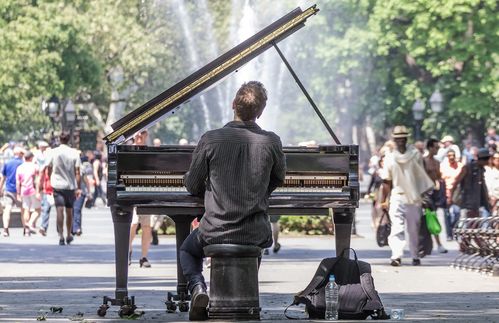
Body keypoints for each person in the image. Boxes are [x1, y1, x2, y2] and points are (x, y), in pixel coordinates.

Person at [179, 81, 286, 320]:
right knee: (254, 247)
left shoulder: (211, 139)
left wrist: (204, 185)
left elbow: (193, 184)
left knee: (187, 250)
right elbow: (279, 177)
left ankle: (197, 287)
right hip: (254, 231)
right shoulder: (271, 141)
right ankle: (243, 297)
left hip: (215, 229)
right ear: (260, 112)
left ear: (232, 105)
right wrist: (258, 193)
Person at [380, 125, 433, 267]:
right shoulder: (390, 157)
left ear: (406, 139)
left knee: (413, 229)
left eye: (403, 138)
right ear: (394, 140)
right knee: (396, 228)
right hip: (397, 195)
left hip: (414, 197)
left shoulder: (415, 155)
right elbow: (386, 181)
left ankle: (415, 255)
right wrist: (383, 200)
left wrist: (423, 196)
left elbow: (422, 176)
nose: (400, 141)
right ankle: (396, 255)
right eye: (398, 139)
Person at [43, 131, 81, 245]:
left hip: (57, 185)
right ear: (69, 140)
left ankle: (60, 236)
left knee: (59, 210)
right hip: (70, 185)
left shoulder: (53, 152)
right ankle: (69, 234)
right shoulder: (74, 153)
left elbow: (48, 167)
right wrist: (78, 187)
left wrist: (49, 179)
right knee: (69, 211)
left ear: (59, 139)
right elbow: (78, 171)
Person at [129, 130, 153, 268]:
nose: (139, 136)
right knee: (132, 224)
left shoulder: (149, 152)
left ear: (146, 135)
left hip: (146, 191)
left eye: (142, 133)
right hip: (132, 191)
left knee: (146, 226)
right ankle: (128, 250)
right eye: (137, 133)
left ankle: (144, 257)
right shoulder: (128, 151)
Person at [422, 139, 447, 253]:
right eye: (436, 147)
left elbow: (438, 177)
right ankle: (425, 244)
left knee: (432, 218)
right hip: (424, 193)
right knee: (424, 219)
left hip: (434, 193)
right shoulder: (423, 161)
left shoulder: (437, 162)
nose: (437, 150)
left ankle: (438, 244)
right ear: (430, 148)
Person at [451, 148, 491, 218]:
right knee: (464, 225)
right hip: (466, 204)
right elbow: (456, 182)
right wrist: (451, 197)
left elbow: (482, 188)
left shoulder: (480, 170)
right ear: (484, 159)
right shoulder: (468, 167)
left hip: (476, 205)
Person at [16, 151, 41, 235]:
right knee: (37, 210)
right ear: (31, 158)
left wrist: (18, 193)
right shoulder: (35, 167)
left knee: (26, 209)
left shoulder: (20, 167)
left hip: (24, 190)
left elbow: (17, 182)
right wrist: (38, 191)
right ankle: (30, 223)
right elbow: (37, 180)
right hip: (33, 190)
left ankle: (26, 230)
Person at [440, 149, 464, 240]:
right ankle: (449, 234)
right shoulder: (443, 167)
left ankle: (455, 231)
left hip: (457, 193)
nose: (452, 157)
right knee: (447, 214)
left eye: (453, 155)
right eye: (449, 155)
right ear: (447, 156)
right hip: (446, 192)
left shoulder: (460, 166)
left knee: (457, 213)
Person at [0, 147, 24, 237]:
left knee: (7, 209)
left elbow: (3, 177)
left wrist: (0, 188)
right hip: (20, 191)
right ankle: (26, 229)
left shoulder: (7, 163)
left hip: (9, 189)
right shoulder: (22, 163)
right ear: (20, 154)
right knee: (23, 209)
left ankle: (5, 229)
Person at [72, 154, 93, 236]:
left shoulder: (82, 168)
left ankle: (77, 228)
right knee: (72, 210)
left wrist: (89, 193)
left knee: (77, 209)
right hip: (71, 191)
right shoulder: (69, 167)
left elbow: (86, 181)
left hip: (81, 192)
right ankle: (73, 228)